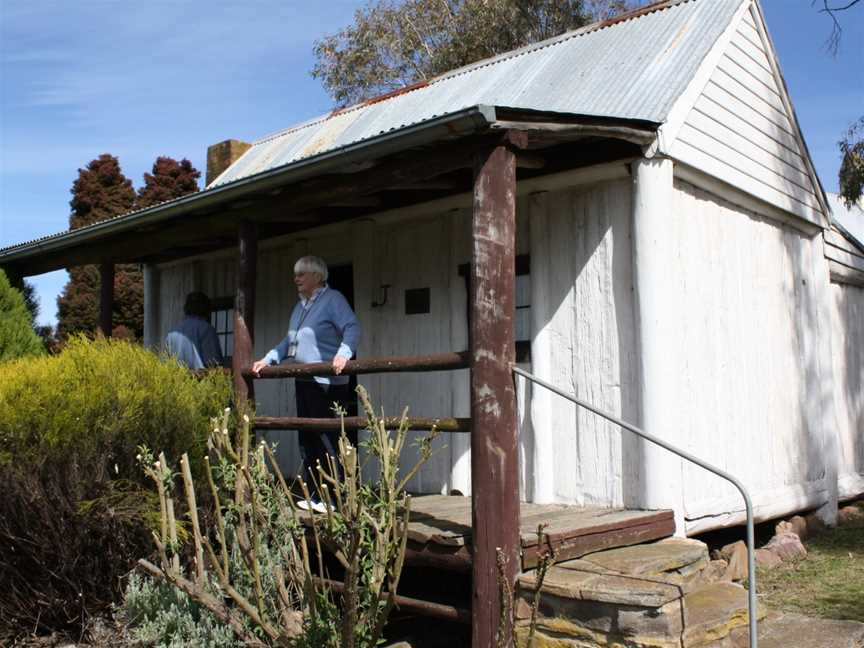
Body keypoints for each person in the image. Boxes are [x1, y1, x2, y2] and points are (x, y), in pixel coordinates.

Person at [251, 255, 360, 512]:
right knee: (307, 437)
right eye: (296, 274)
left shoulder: (333, 300)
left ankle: (334, 498)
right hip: (304, 380)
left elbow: (352, 327)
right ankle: (316, 495)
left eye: (301, 274)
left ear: (317, 277)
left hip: (327, 382)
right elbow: (289, 342)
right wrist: (268, 359)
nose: (296, 279)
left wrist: (344, 353)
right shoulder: (300, 307)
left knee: (326, 438)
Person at [165, 291, 224, 369]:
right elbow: (213, 364)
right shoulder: (206, 329)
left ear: (186, 308)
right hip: (200, 380)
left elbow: (166, 365)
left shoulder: (172, 333)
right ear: (206, 309)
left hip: (176, 380)